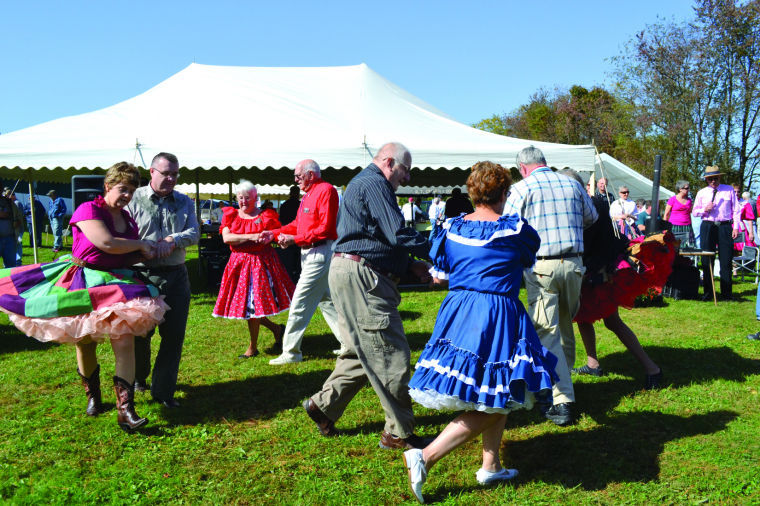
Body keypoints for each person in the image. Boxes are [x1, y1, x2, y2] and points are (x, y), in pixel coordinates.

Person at [402, 162, 558, 503]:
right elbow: (527, 262)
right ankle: (425, 456)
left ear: (472, 192)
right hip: (497, 311)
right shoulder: (516, 230)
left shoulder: (451, 228)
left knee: (497, 389)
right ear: (504, 193)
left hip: (458, 309)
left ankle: (491, 464)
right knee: (498, 394)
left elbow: (440, 275)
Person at [0, 162, 168, 431]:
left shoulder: (128, 219)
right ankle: (94, 398)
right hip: (82, 278)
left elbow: (120, 253)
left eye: (132, 191)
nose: (127, 196)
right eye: (122, 189)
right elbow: (106, 243)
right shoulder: (88, 209)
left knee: (123, 339)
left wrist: (148, 251)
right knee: (85, 341)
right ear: (108, 186)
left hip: (115, 281)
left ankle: (125, 410)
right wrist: (140, 244)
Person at [303, 142, 432, 449]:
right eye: (406, 171)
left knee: (361, 349)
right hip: (363, 276)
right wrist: (442, 249)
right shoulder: (375, 183)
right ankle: (398, 433)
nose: (408, 179)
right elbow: (397, 233)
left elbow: (376, 238)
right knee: (389, 353)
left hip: (352, 272)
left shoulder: (366, 183)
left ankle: (323, 406)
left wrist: (410, 266)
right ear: (389, 162)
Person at [502, 146, 598, 427]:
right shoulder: (572, 183)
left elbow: (508, 227)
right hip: (574, 263)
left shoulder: (521, 189)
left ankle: (562, 399)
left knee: (548, 330)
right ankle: (563, 380)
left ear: (522, 167)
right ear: (544, 162)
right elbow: (591, 218)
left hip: (542, 266)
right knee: (565, 322)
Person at [558, 169, 670, 391]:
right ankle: (593, 364)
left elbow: (600, 242)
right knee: (583, 317)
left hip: (601, 272)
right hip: (588, 270)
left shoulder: (594, 205)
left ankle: (652, 369)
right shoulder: (578, 206)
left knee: (612, 321)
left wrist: (593, 268)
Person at [128, 152, 200, 408]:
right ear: (151, 172)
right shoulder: (133, 199)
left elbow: (194, 232)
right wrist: (142, 246)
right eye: (166, 173)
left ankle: (163, 392)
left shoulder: (184, 201)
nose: (171, 178)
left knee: (173, 336)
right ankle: (139, 376)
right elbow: (122, 234)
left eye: (175, 174)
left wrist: (173, 240)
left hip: (176, 276)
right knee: (139, 335)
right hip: (141, 276)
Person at [268, 159, 346, 365]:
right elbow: (298, 225)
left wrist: (294, 239)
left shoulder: (326, 191)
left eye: (298, 176)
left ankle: (291, 352)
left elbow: (326, 229)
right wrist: (274, 234)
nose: (295, 180)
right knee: (327, 301)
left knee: (300, 303)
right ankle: (350, 345)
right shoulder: (309, 194)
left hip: (319, 254)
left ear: (311, 175)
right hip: (312, 254)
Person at [213, 181, 294, 358]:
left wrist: (268, 239)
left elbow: (275, 235)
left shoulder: (266, 216)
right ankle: (276, 329)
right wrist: (251, 236)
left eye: (247, 198)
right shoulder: (231, 215)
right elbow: (227, 238)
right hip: (239, 264)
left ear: (256, 198)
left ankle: (253, 346)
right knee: (248, 306)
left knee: (254, 305)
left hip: (261, 264)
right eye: (240, 197)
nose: (243, 201)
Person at [691, 165, 740, 301]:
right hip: (708, 225)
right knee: (707, 260)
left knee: (726, 260)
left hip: (724, 226)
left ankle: (727, 294)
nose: (713, 181)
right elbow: (695, 211)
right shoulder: (701, 192)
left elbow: (736, 210)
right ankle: (708, 293)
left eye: (716, 178)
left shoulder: (729, 190)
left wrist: (735, 227)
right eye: (710, 179)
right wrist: (705, 210)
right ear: (706, 180)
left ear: (720, 178)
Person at [277, 185, 302, 283]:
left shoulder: (285, 205)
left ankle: (289, 278)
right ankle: (295, 277)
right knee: (297, 259)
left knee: (289, 260)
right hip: (297, 235)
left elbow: (281, 220)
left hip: (289, 234)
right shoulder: (300, 204)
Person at [663, 180, 695, 249]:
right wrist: (665, 228)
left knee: (688, 247)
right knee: (673, 247)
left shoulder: (689, 200)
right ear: (680, 189)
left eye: (689, 188)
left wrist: (691, 225)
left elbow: (689, 213)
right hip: (674, 226)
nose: (688, 190)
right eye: (686, 188)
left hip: (687, 226)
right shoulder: (672, 199)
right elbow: (666, 214)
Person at [5, 190, 25, 266]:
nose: (7, 197)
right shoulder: (8, 204)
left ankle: (18, 261)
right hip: (10, 230)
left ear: (12, 195)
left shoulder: (17, 203)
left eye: (8, 195)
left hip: (18, 229)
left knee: (18, 244)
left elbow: (19, 218)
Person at [0, 192, 18, 268]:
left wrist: (17, 221)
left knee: (11, 267)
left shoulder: (8, 202)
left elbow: (18, 216)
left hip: (9, 238)